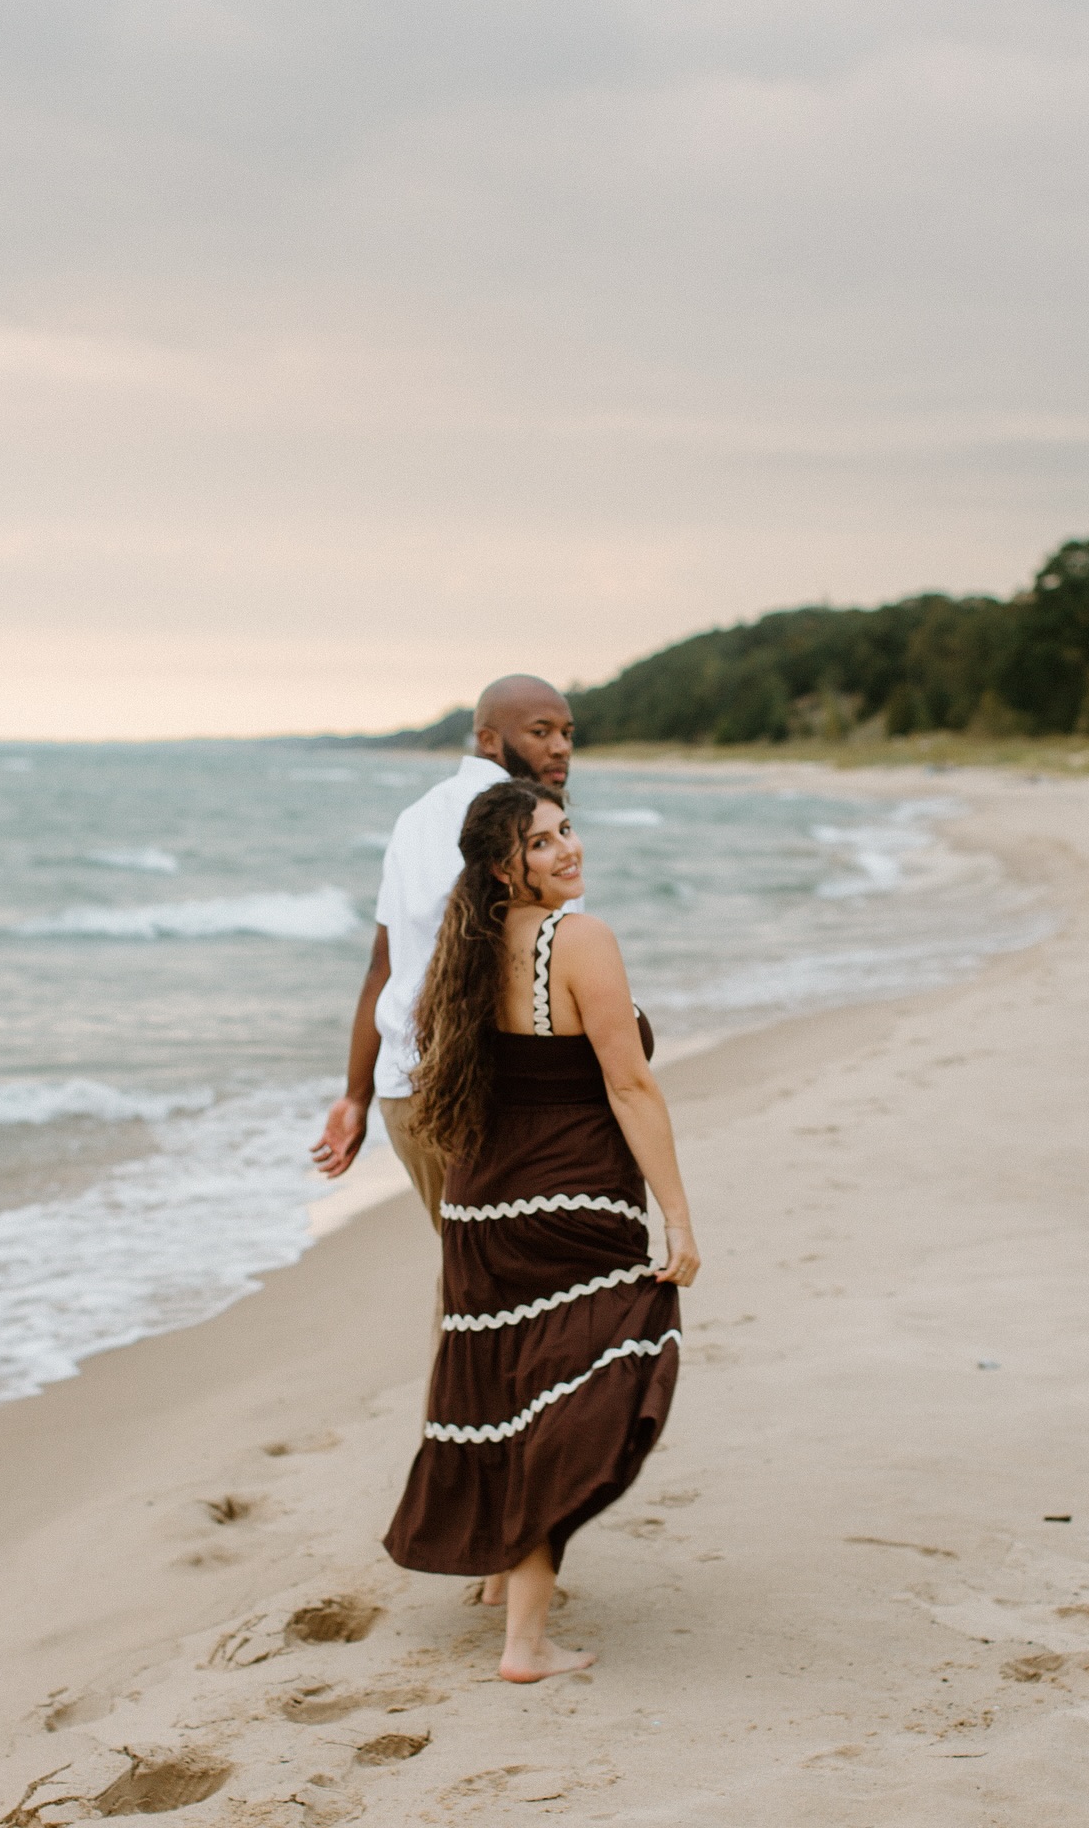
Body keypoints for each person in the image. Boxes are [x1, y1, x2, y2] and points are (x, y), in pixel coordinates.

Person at [383, 781, 700, 1683]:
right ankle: (525, 1643)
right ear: (502, 866)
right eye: (544, 842)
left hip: (482, 1207)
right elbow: (629, 1086)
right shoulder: (582, 940)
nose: (570, 850)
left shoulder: (468, 950)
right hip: (569, 1204)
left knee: (502, 1389)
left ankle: (496, 1582)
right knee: (574, 1400)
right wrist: (676, 1215)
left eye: (568, 831)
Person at [310, 676, 578, 1228]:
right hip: (482, 1091)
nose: (560, 747)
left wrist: (355, 1096)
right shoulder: (529, 826)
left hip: (403, 1095)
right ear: (488, 739)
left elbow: (383, 966)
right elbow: (545, 962)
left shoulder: (415, 817)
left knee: (475, 1269)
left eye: (568, 733)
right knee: (492, 1279)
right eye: (540, 731)